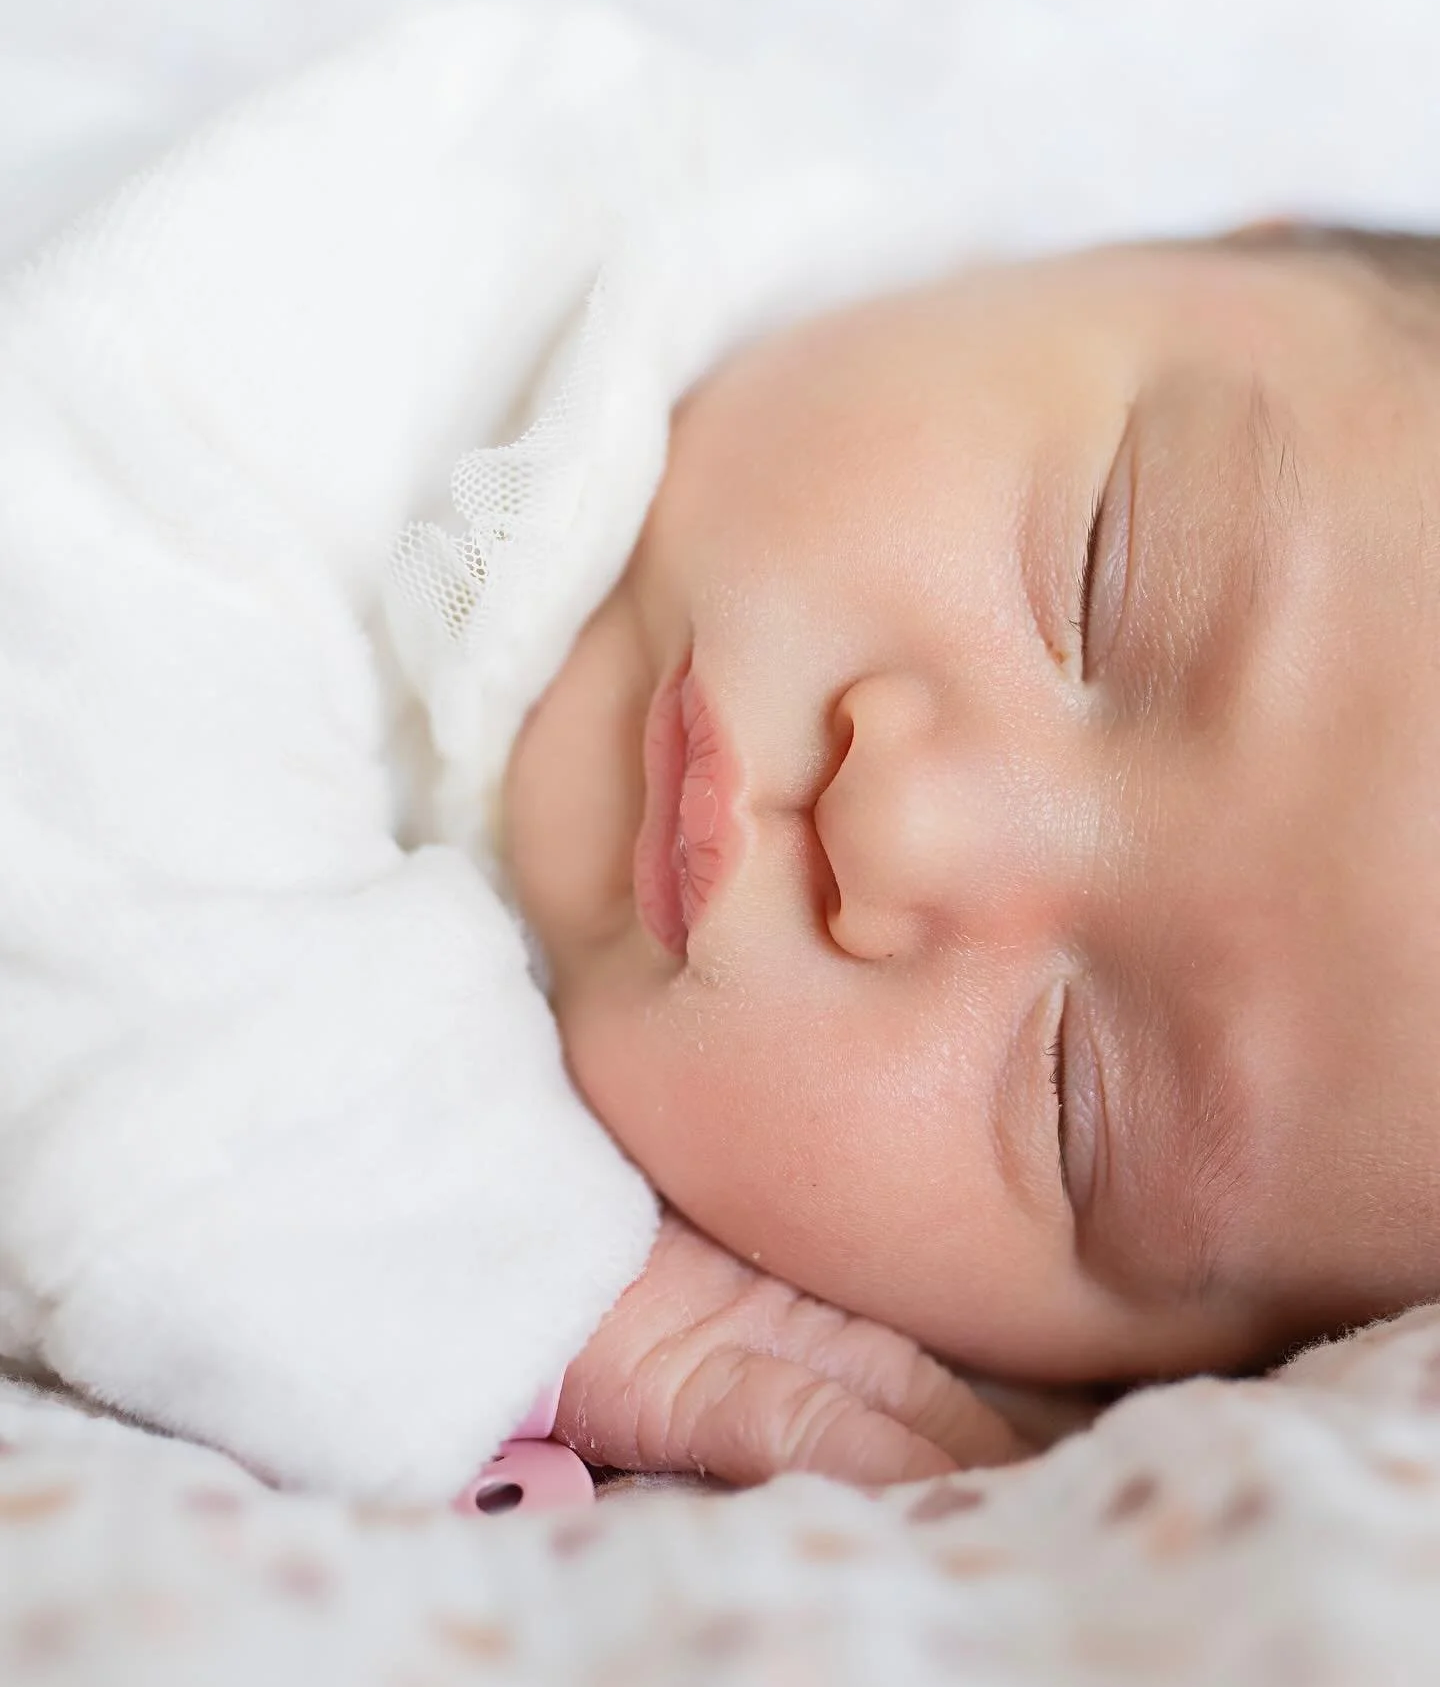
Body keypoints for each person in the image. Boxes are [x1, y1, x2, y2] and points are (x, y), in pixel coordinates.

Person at [516, 227, 1440, 1485]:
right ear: (1160, 248)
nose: (891, 827)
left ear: (1094, 1388)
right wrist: (482, 1262)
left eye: (1074, 1103)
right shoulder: (514, 242)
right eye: (1100, 578)